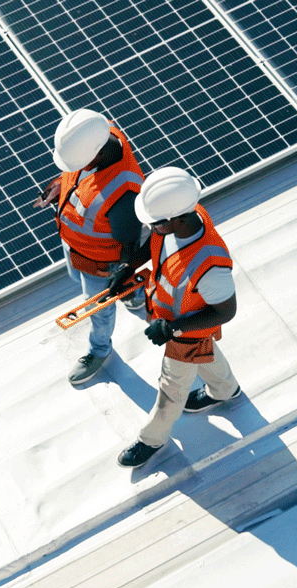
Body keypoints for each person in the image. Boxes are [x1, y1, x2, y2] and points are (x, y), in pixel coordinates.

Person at [114, 166, 242, 469]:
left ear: (177, 219)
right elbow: (156, 244)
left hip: (185, 331)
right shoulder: (180, 216)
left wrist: (173, 328)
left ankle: (151, 439)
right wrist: (128, 267)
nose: (152, 228)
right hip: (173, 318)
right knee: (207, 355)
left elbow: (226, 311)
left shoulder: (210, 265)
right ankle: (225, 390)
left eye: (156, 224)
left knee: (171, 389)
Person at [34, 109, 145, 385]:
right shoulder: (93, 132)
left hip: (100, 264)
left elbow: (130, 245)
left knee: (97, 308)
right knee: (76, 277)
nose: (74, 167)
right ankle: (135, 293)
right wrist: (60, 186)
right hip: (75, 247)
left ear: (96, 154)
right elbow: (79, 178)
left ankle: (100, 350)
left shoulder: (123, 195)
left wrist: (122, 273)